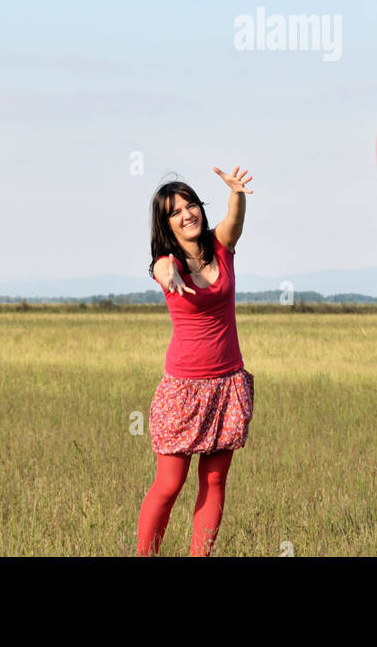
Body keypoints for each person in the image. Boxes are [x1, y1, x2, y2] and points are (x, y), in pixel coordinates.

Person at [135, 166, 255, 557]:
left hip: (227, 384)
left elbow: (233, 222)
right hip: (183, 390)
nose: (187, 214)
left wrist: (235, 194)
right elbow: (159, 268)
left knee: (215, 481)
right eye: (176, 211)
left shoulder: (221, 247)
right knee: (169, 485)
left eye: (191, 205)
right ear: (166, 223)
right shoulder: (167, 264)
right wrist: (163, 265)